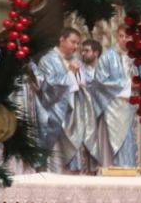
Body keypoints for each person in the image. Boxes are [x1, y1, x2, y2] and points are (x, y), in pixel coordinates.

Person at [0, 44, 63, 174]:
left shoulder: (19, 47)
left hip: (26, 99)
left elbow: (39, 80)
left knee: (27, 133)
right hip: (5, 99)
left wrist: (29, 68)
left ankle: (26, 166)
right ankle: (4, 167)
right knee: (4, 131)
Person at [35, 28, 101, 173]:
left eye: (78, 43)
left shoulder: (76, 60)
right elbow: (47, 88)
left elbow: (88, 83)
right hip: (57, 117)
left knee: (78, 157)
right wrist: (71, 74)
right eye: (73, 42)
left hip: (77, 117)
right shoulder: (47, 60)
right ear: (62, 39)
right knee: (57, 160)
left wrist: (82, 76)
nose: (76, 47)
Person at [91, 35, 141, 170]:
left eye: (128, 36)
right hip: (116, 111)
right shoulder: (108, 57)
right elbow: (100, 82)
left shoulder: (138, 59)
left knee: (140, 146)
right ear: (117, 38)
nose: (125, 39)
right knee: (122, 152)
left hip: (137, 110)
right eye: (121, 36)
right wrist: (128, 84)